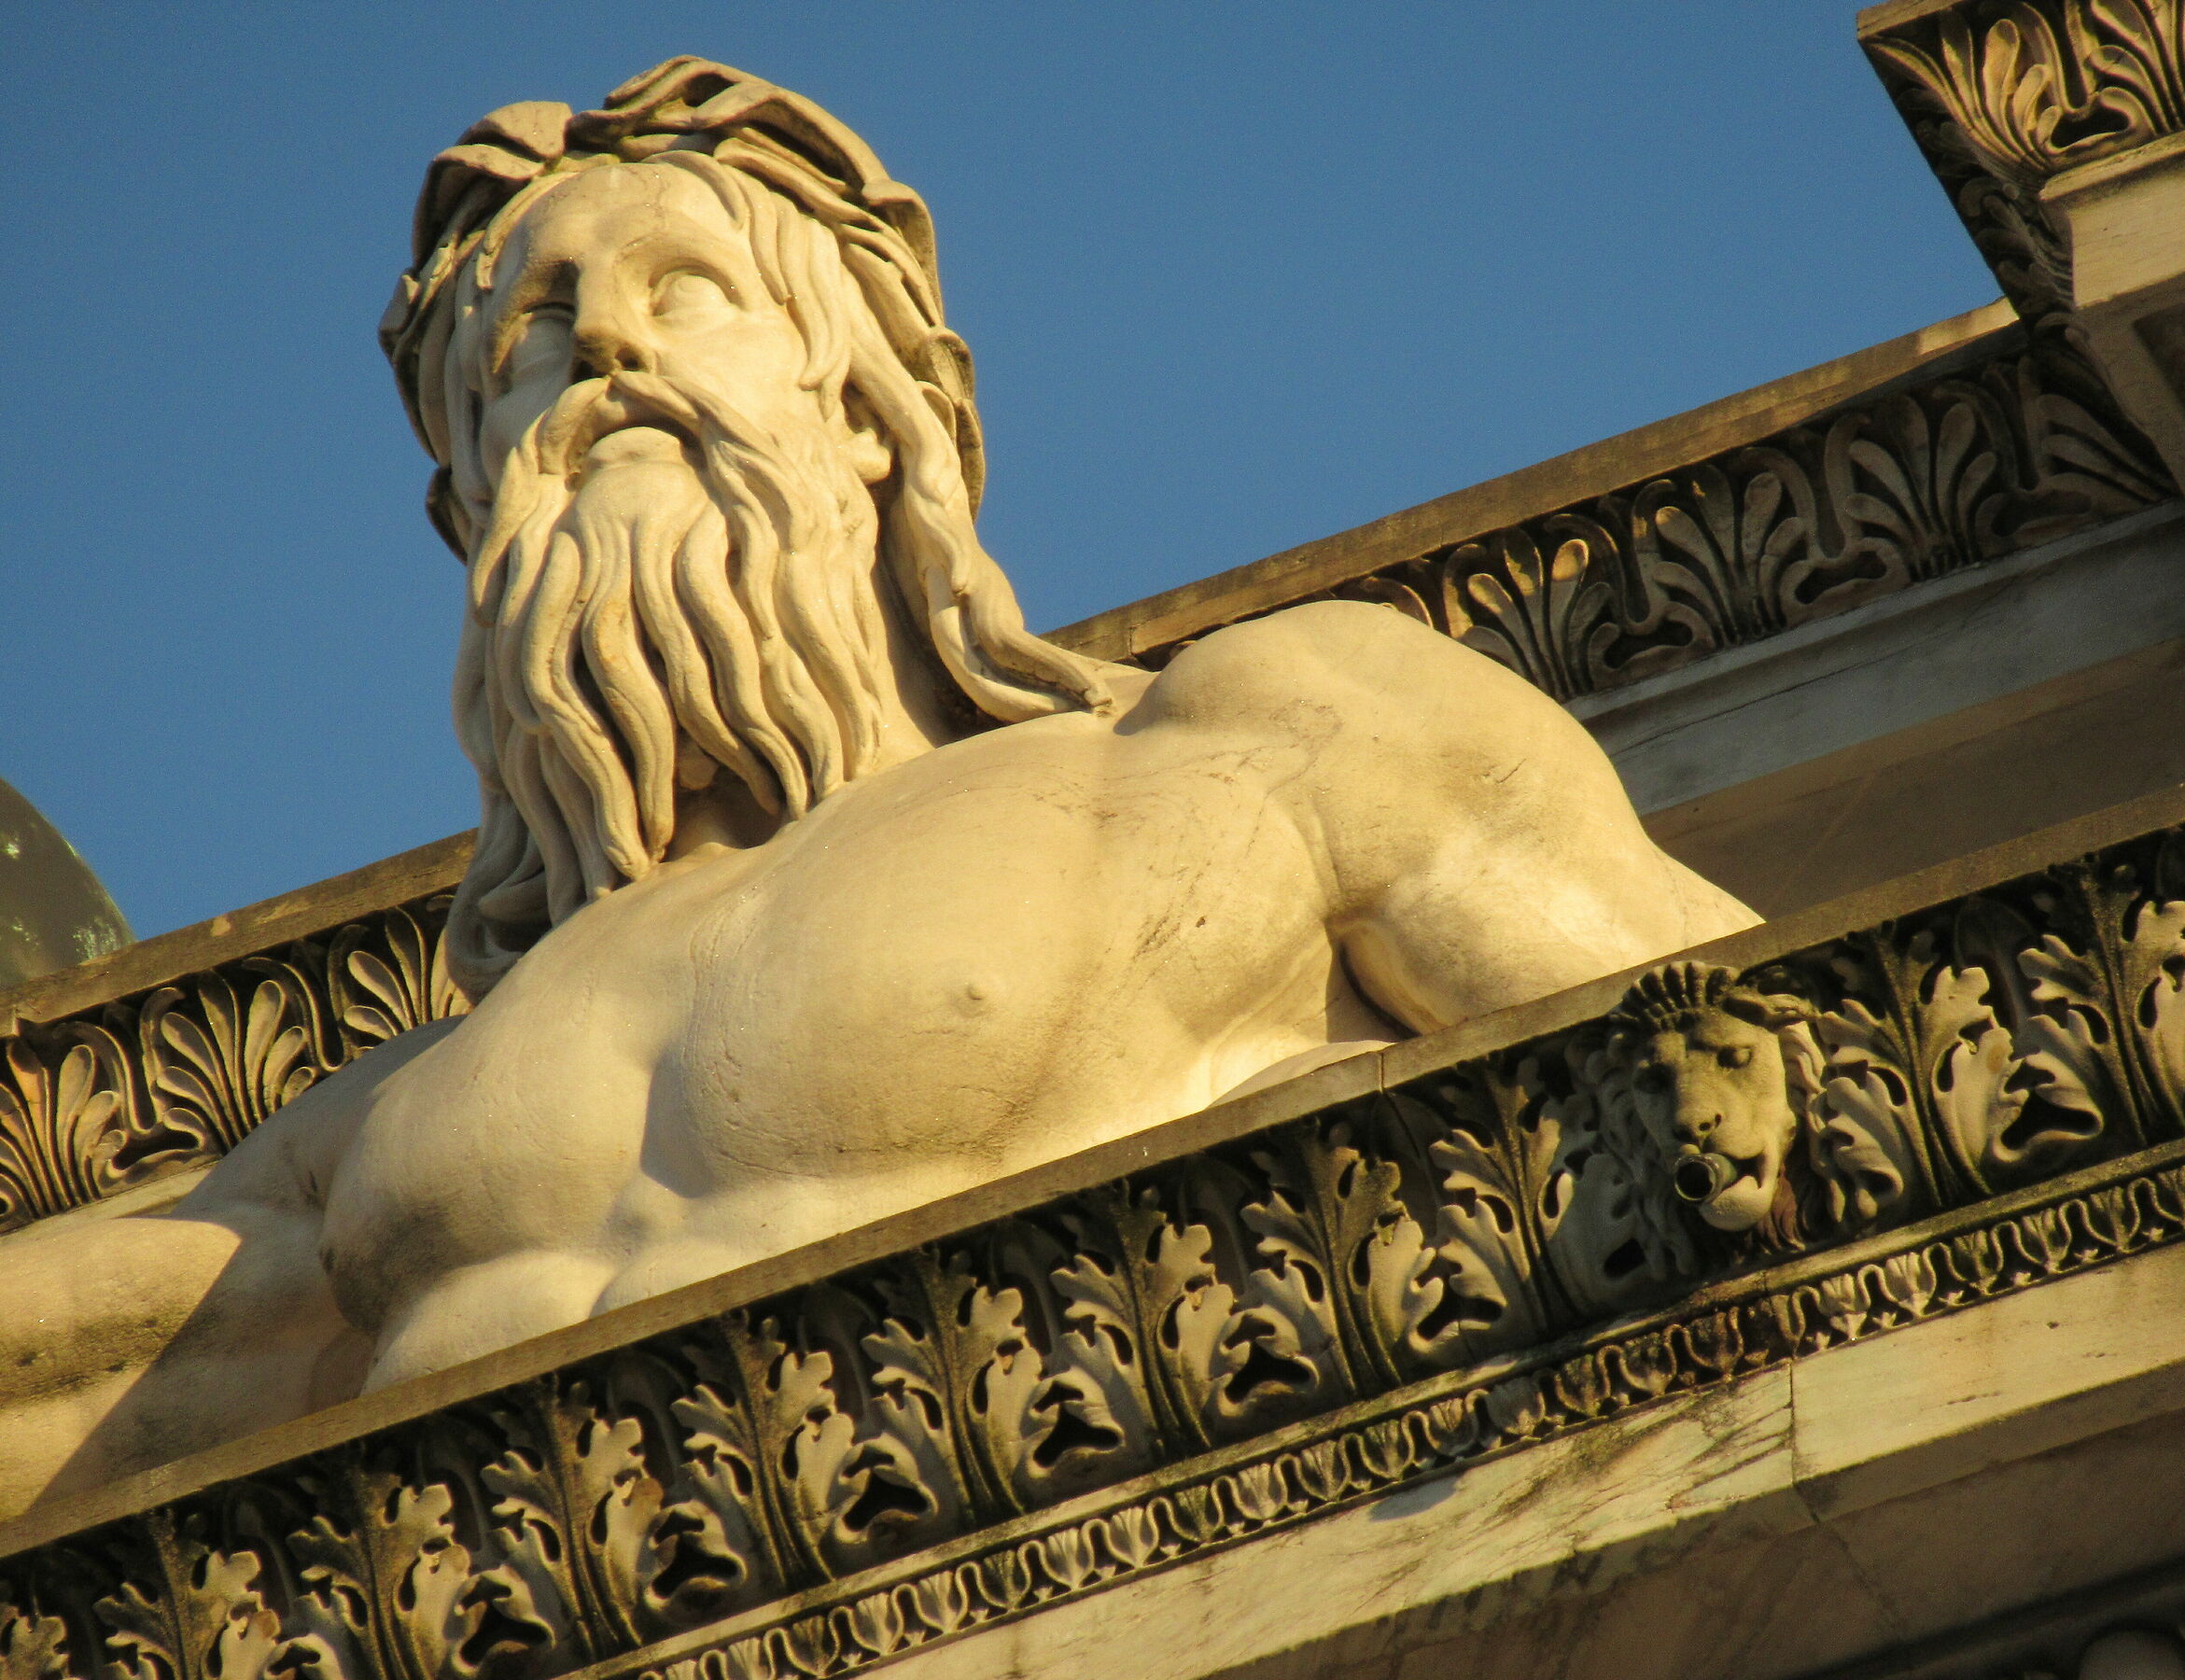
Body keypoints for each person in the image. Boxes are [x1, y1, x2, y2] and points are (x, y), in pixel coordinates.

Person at [0, 59, 1754, 1517]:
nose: (600, 349)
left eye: (679, 289)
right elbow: (74, 1364)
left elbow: (1755, 1083)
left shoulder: (1271, 735)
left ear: (872, 409)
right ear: (472, 517)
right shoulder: (384, 1121)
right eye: (529, 340)